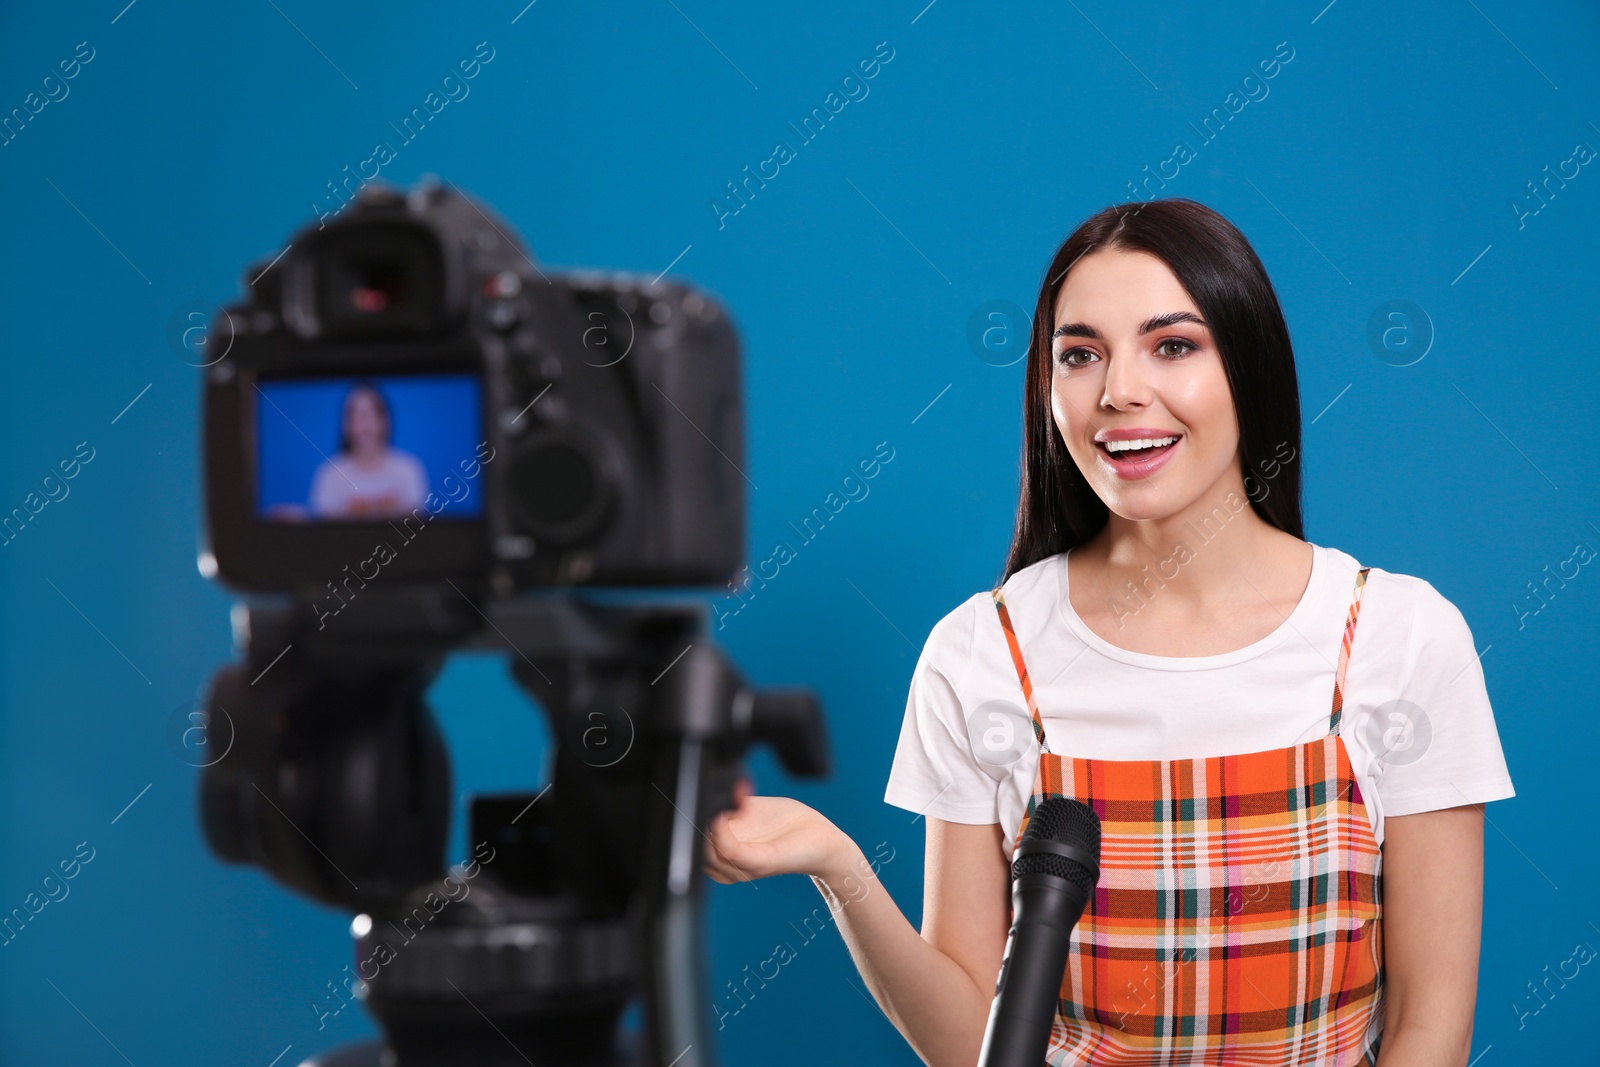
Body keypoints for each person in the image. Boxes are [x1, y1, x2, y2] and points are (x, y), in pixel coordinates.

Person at [703, 199, 1514, 1067]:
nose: (1119, 389)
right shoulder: (983, 653)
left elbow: (1433, 1026)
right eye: (1080, 354)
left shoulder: (1399, 637)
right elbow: (973, 1043)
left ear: (1249, 364)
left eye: (1173, 345)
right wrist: (838, 864)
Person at [308, 382, 429, 519]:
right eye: (358, 416)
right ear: (346, 425)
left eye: (372, 415)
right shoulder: (329, 474)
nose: (366, 426)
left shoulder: (409, 469)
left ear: (385, 421)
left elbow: (415, 530)